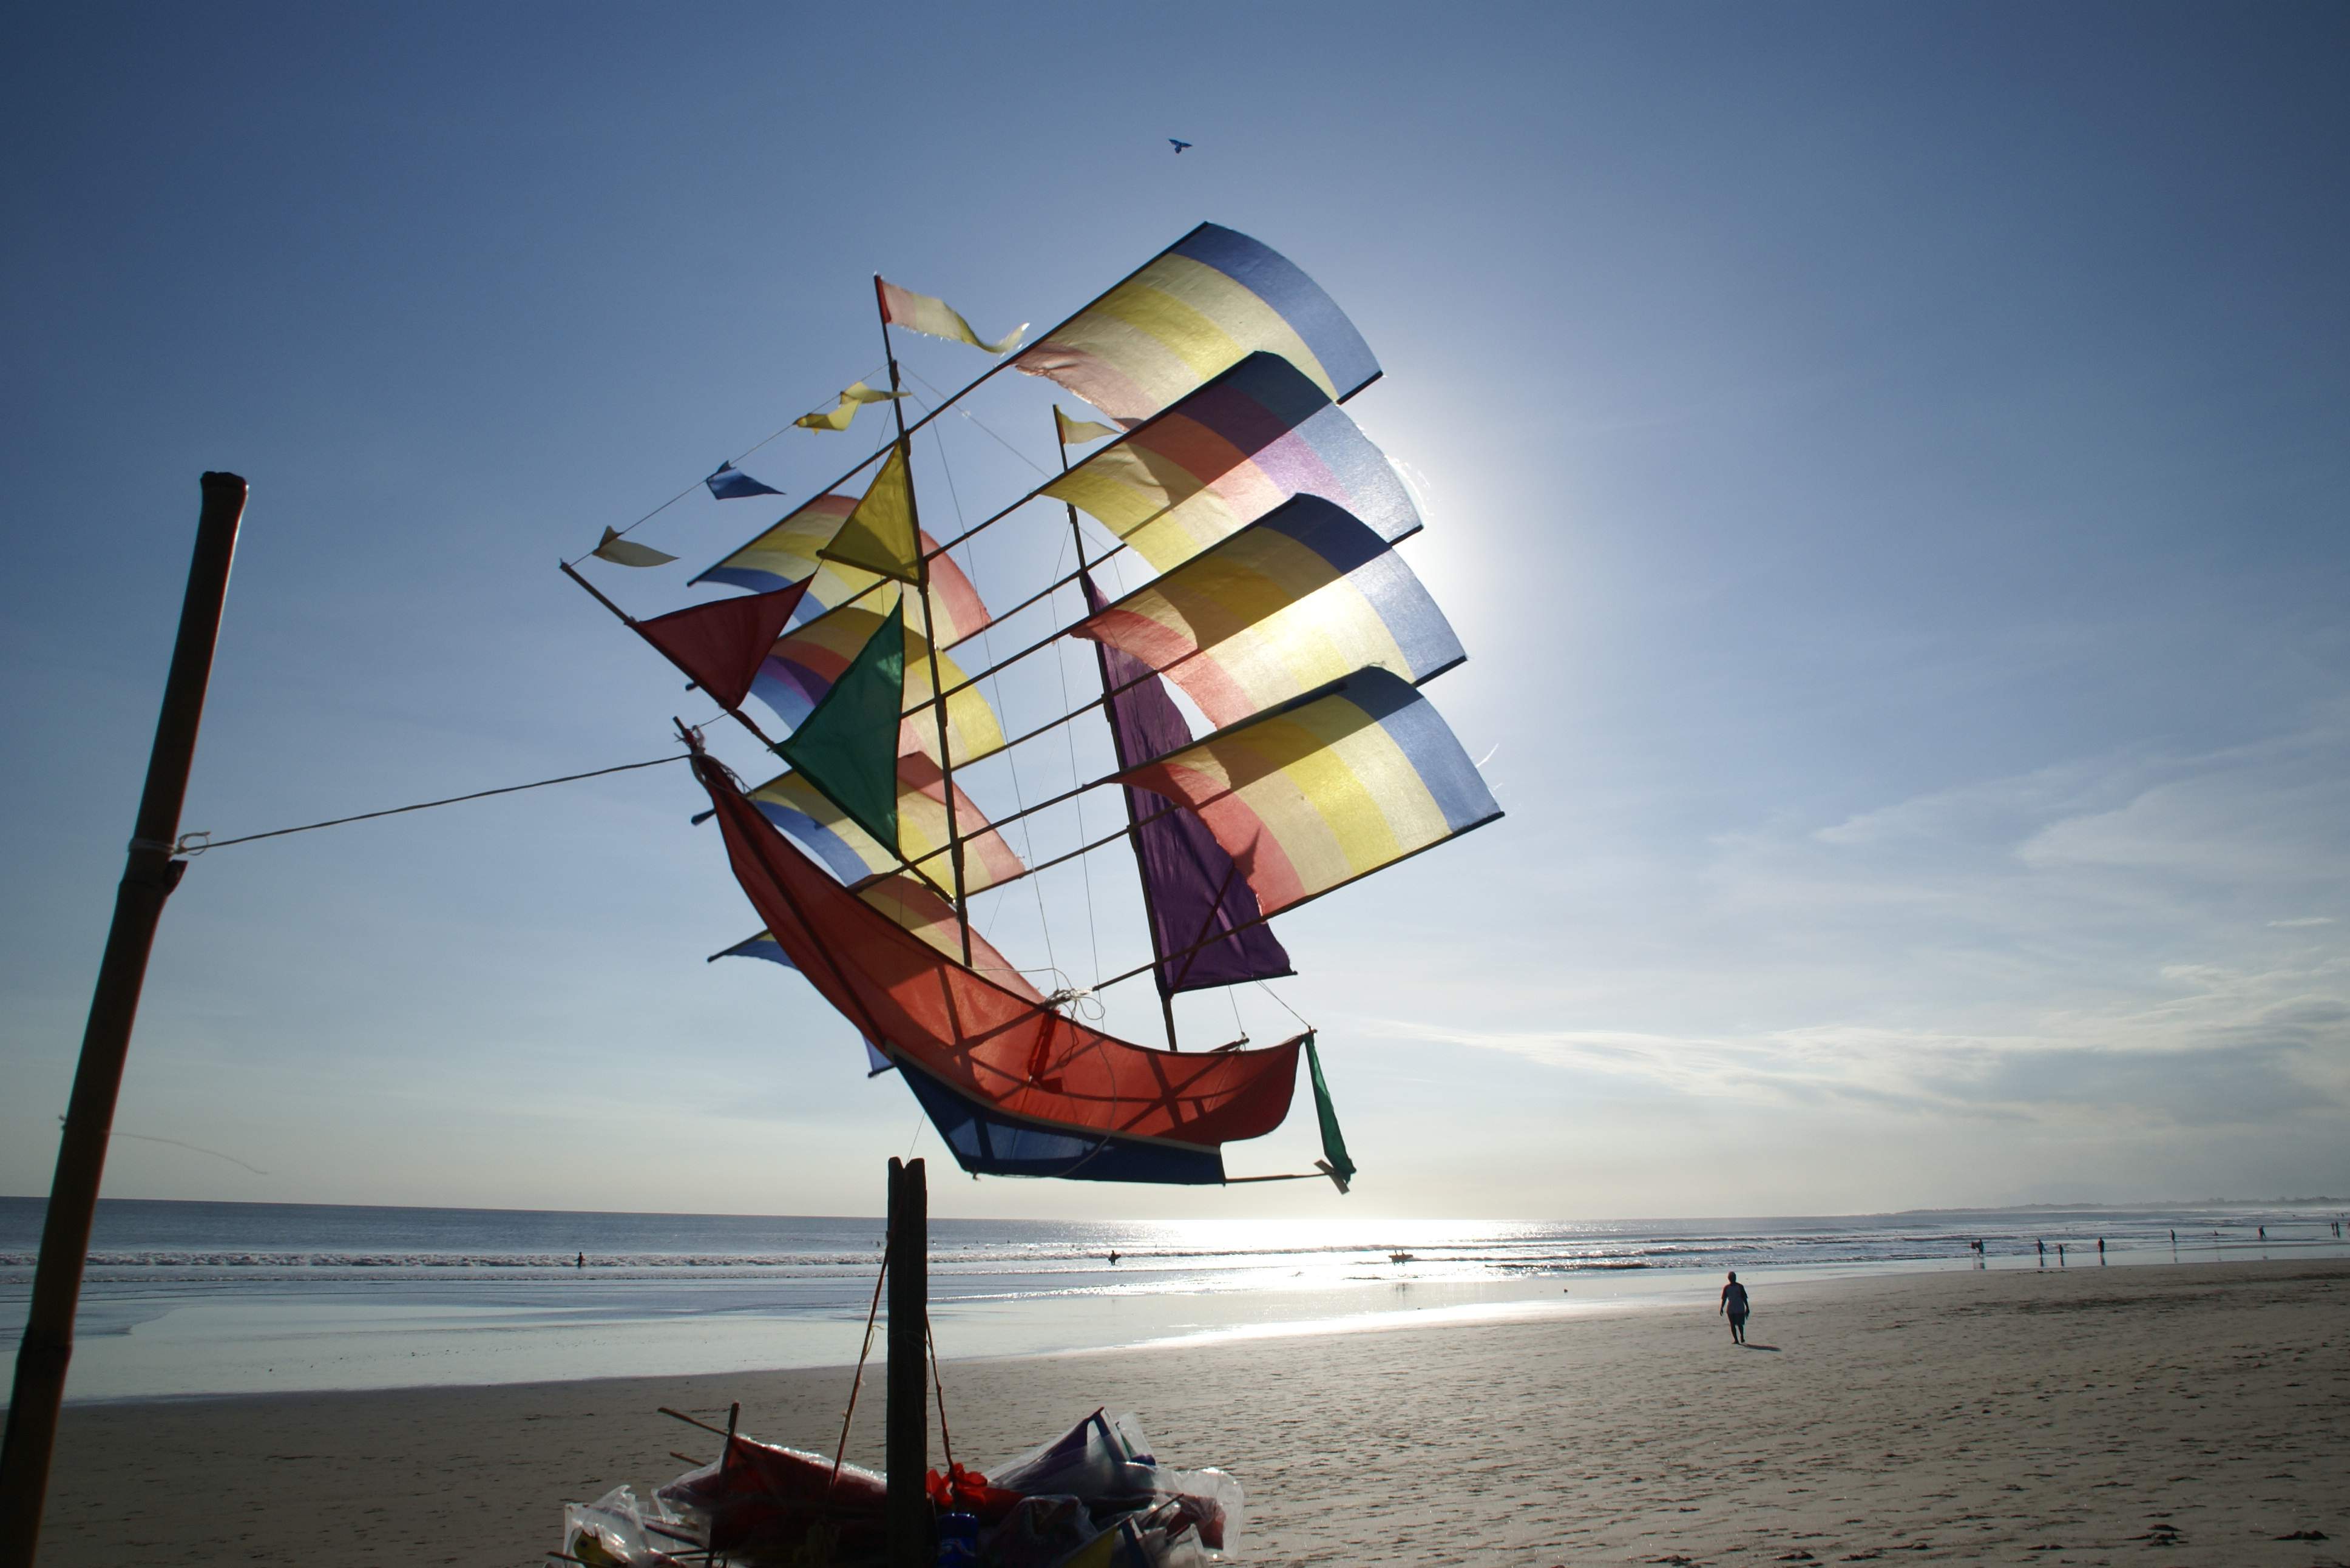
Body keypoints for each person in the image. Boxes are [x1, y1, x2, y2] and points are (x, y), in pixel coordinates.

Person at [1719, 1271, 1750, 1345]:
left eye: (1733, 1278)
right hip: (1731, 1308)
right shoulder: (1727, 1288)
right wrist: (1721, 1308)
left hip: (1739, 1307)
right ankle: (1736, 1339)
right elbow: (1724, 1299)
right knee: (1732, 1324)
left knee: (1740, 1324)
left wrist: (1747, 1307)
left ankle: (1742, 1336)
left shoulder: (1740, 1287)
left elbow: (1744, 1298)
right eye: (1731, 1278)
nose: (1732, 1279)